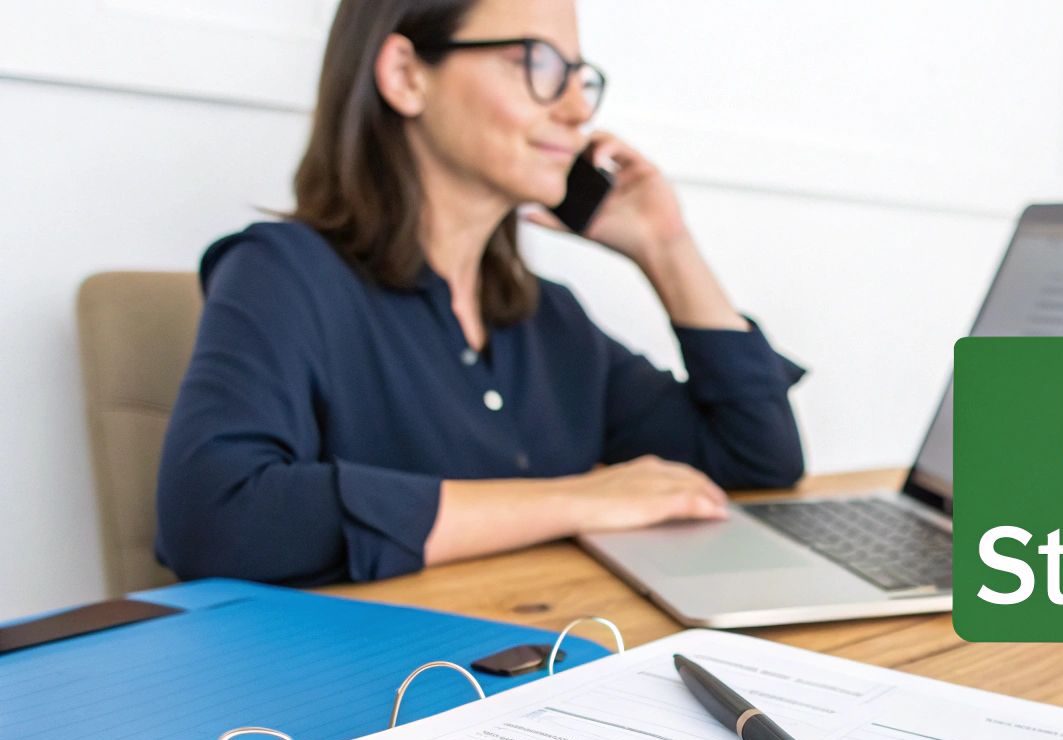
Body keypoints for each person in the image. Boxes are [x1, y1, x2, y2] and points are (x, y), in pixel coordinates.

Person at [155, 0, 805, 586]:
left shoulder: (548, 317)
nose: (577, 109)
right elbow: (215, 516)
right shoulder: (284, 272)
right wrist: (576, 499)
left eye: (581, 77)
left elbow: (756, 462)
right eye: (538, 64)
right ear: (407, 75)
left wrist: (667, 248)